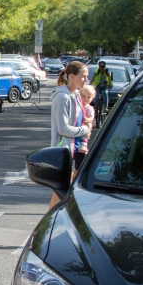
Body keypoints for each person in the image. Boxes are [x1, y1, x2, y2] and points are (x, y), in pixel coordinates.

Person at [49, 61, 91, 209]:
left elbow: (80, 121)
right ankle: (50, 222)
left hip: (76, 150)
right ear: (72, 76)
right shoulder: (63, 97)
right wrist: (84, 130)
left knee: (71, 191)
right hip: (65, 151)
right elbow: (63, 129)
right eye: (83, 76)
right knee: (61, 192)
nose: (86, 80)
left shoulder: (76, 95)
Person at [76, 85, 97, 170]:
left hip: (85, 124)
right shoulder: (78, 105)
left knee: (85, 133)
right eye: (83, 96)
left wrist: (87, 120)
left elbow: (91, 118)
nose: (85, 99)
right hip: (79, 126)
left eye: (89, 97)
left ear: (92, 98)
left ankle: (84, 145)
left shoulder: (90, 108)